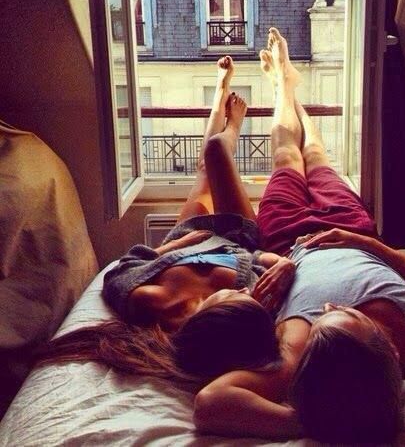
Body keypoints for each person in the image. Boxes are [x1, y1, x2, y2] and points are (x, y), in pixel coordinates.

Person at [192, 28, 405, 443]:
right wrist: (367, 244)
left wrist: (317, 422)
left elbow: (211, 403)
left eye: (321, 317)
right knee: (317, 156)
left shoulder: (301, 359)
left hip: (288, 242)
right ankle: (290, 86)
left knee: (287, 156)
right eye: (346, 314)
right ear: (390, 349)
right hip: (351, 229)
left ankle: (282, 89)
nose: (329, 304)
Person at [39, 56, 295, 384]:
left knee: (204, 169)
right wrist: (287, 266)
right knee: (217, 151)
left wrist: (176, 245)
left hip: (186, 237)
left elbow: (120, 269)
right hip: (235, 235)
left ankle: (220, 94)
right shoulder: (246, 312)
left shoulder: (150, 302)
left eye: (236, 295)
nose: (242, 292)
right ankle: (231, 126)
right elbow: (260, 259)